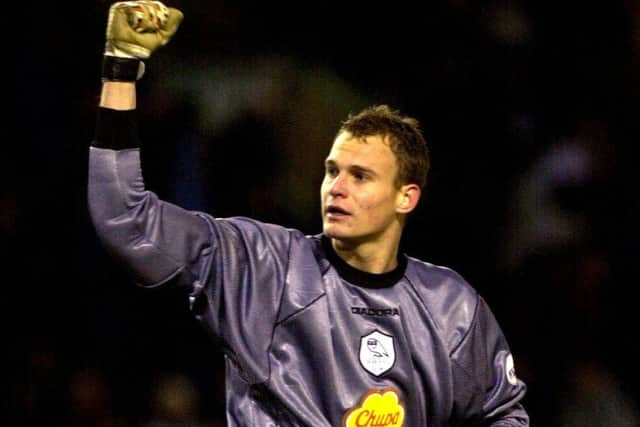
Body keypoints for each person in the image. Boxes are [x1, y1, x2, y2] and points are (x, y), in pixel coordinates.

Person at [88, 2, 529, 425]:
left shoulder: (451, 307)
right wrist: (121, 70)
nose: (336, 188)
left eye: (360, 176)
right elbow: (126, 220)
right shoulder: (260, 267)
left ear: (406, 197)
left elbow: (503, 413)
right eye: (331, 171)